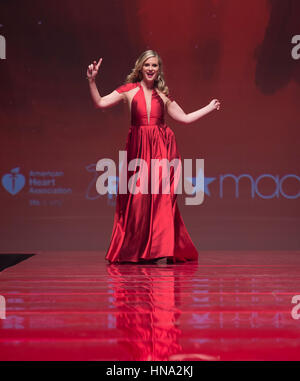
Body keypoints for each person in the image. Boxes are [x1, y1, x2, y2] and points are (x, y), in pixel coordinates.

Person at [87, 50, 221, 264]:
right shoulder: (129, 90)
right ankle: (138, 250)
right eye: (147, 65)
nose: (151, 68)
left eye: (155, 65)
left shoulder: (163, 96)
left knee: (160, 199)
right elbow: (101, 103)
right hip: (138, 151)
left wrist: (209, 107)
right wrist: (92, 81)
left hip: (162, 151)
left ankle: (161, 249)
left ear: (159, 70)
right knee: (138, 199)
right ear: (140, 67)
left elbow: (185, 118)